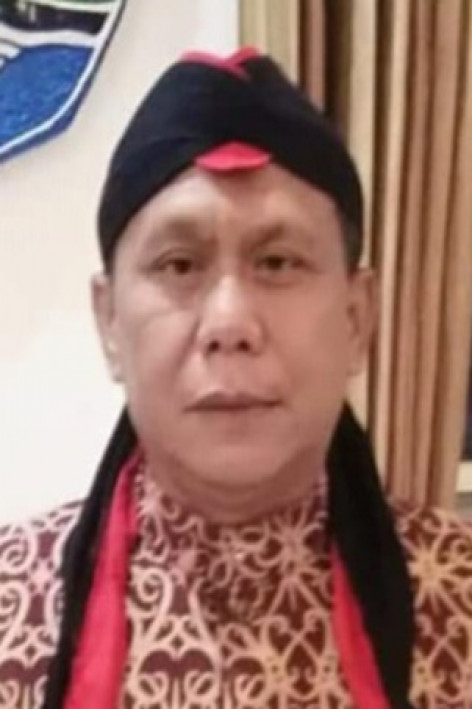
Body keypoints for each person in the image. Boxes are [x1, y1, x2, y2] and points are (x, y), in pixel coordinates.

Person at [1, 47, 472, 709]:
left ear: (356, 318)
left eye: (277, 262)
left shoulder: (458, 596)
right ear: (109, 322)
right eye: (179, 265)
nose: (229, 322)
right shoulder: (12, 606)